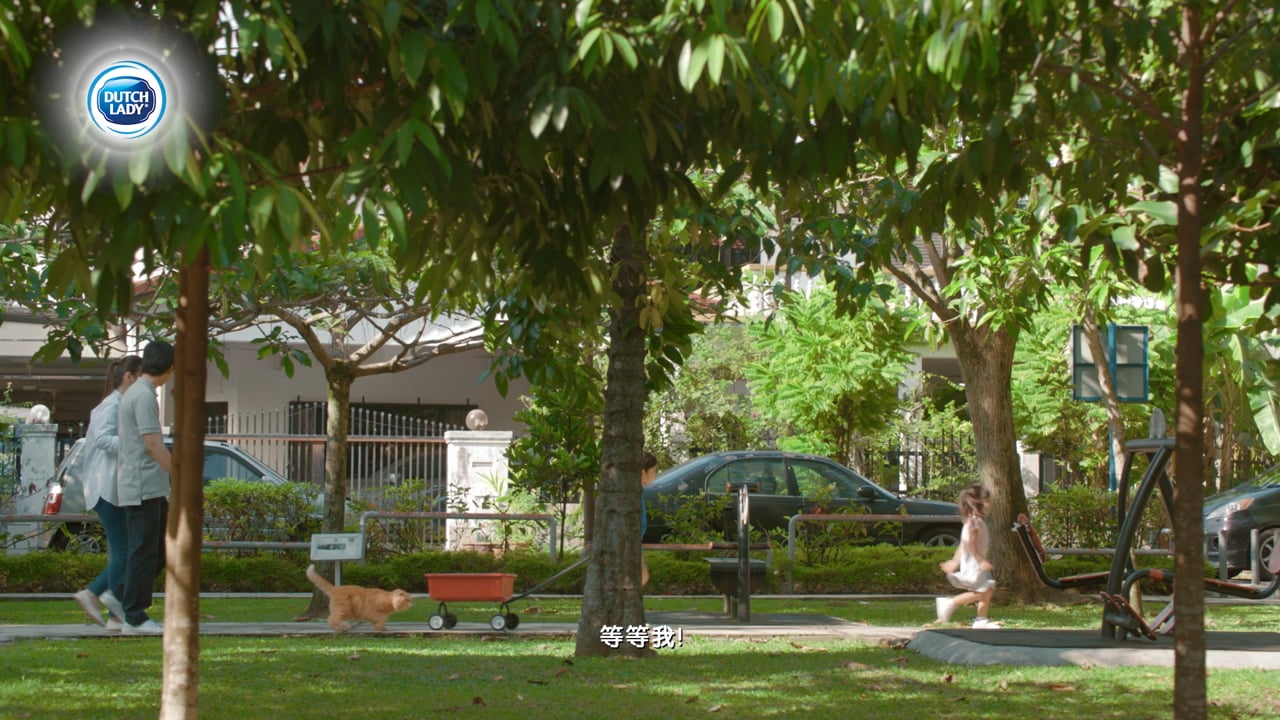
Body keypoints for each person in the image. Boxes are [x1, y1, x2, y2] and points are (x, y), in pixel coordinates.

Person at [72, 355, 142, 630]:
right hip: (106, 488)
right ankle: (93, 594)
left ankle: (115, 615)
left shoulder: (119, 405)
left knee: (123, 549)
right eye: (141, 378)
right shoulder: (111, 406)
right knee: (125, 550)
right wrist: (135, 442)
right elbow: (102, 439)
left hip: (113, 488)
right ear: (129, 378)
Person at [116, 339, 175, 635]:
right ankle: (134, 616)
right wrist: (181, 475)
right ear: (170, 368)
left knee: (156, 551)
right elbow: (152, 443)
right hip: (143, 487)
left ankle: (121, 599)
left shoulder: (140, 392)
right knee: (145, 552)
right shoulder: (143, 396)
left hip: (148, 486)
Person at [935, 484, 1000, 629]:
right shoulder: (974, 522)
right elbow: (970, 543)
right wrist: (980, 560)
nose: (989, 504)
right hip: (974, 563)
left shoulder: (972, 521)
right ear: (977, 503)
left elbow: (963, 545)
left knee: (987, 590)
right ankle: (951, 603)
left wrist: (954, 562)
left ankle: (981, 619)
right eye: (987, 500)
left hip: (973, 562)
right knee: (983, 591)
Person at [640, 452, 658, 587]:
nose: (655, 476)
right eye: (653, 471)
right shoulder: (634, 494)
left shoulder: (638, 493)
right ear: (643, 472)